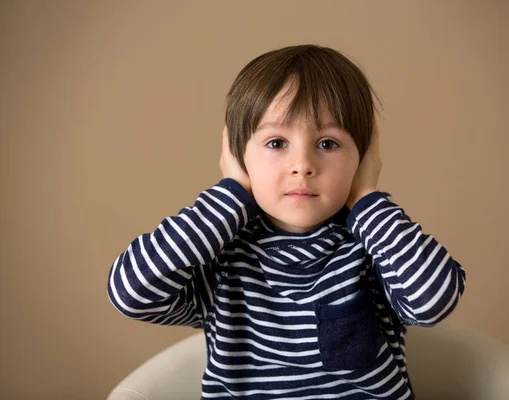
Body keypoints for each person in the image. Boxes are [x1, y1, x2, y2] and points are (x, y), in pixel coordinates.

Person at [107, 44, 466, 399]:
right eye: (277, 143)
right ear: (237, 155)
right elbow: (132, 293)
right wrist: (231, 193)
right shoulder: (221, 254)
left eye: (327, 144)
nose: (302, 164)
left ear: (364, 156)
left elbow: (434, 300)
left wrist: (365, 197)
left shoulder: (374, 246)